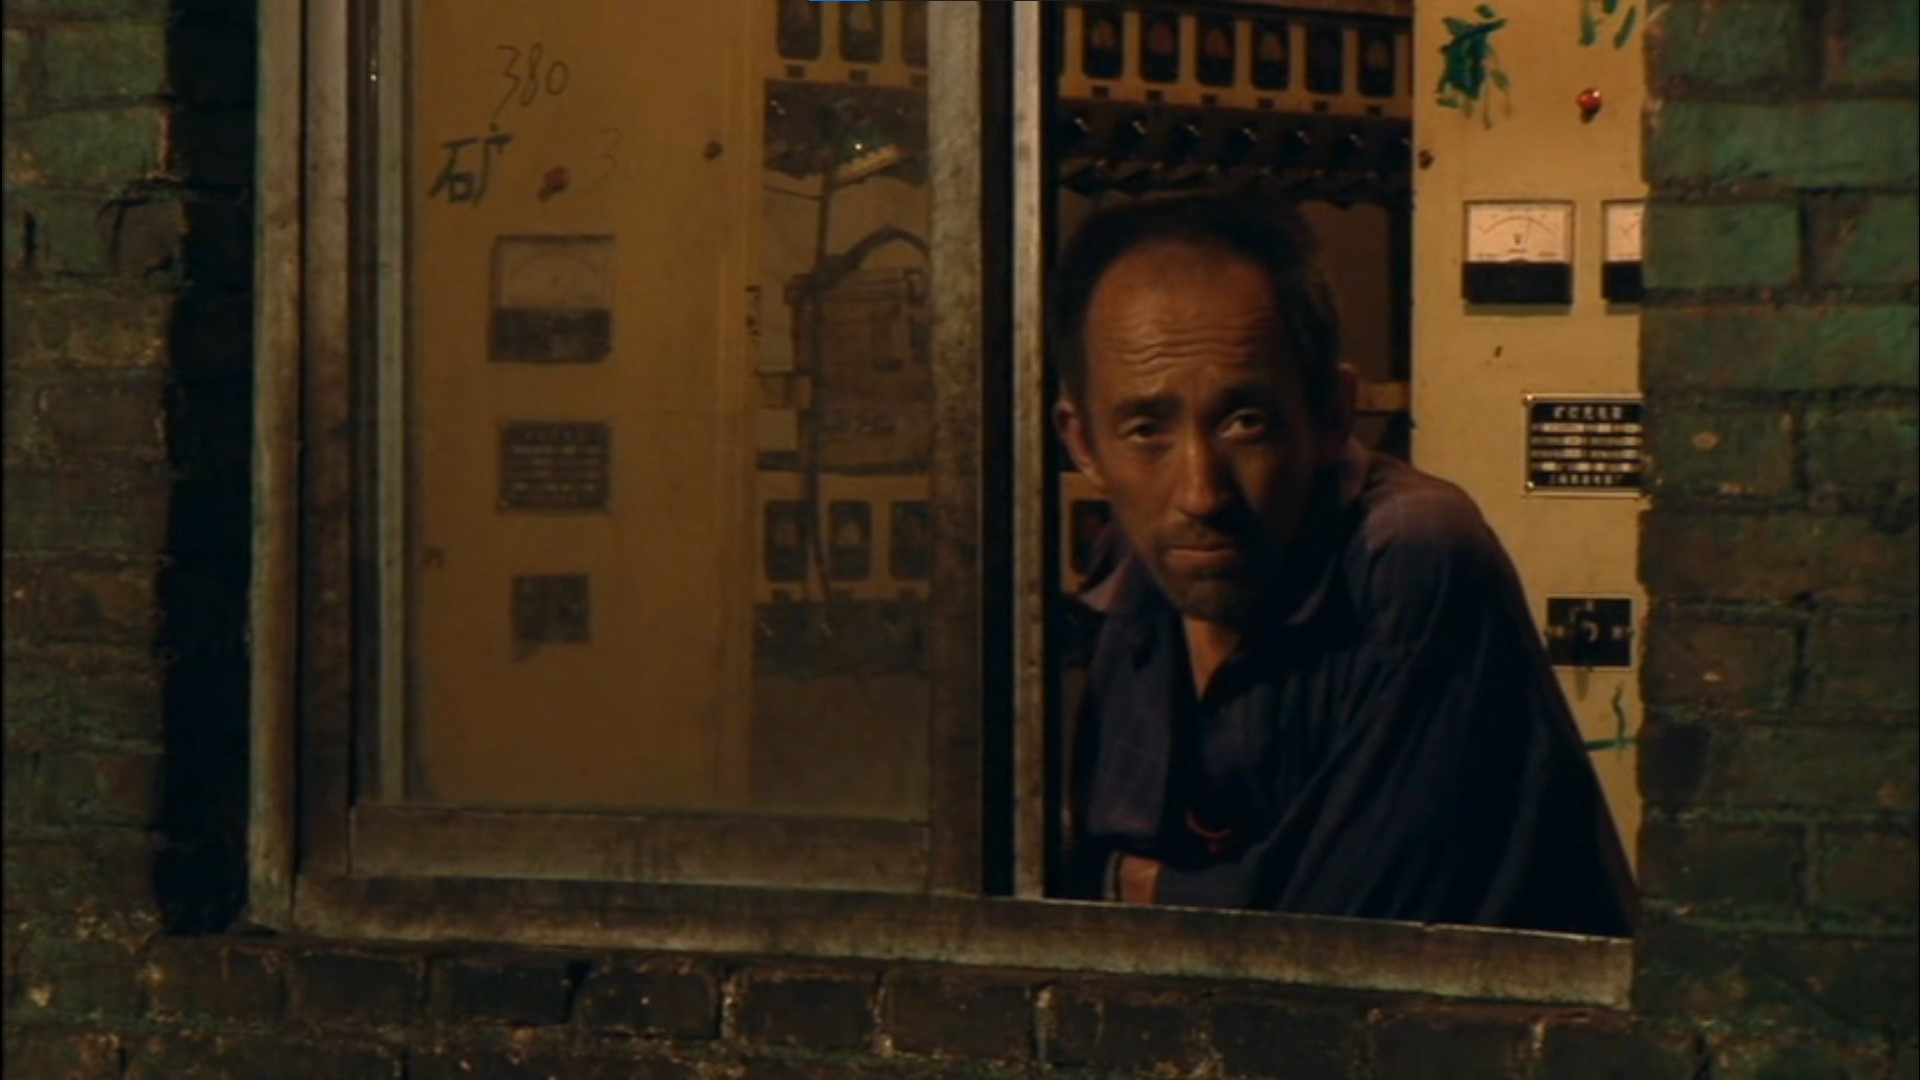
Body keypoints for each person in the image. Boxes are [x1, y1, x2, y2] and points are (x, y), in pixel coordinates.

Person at [1051, 194, 1636, 937]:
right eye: (1146, 430)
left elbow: (1335, 939)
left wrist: (1148, 888)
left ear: (1332, 413)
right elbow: (1092, 868)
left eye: (1246, 422)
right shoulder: (1136, 576)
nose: (1201, 491)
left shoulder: (1411, 556)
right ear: (1083, 443)